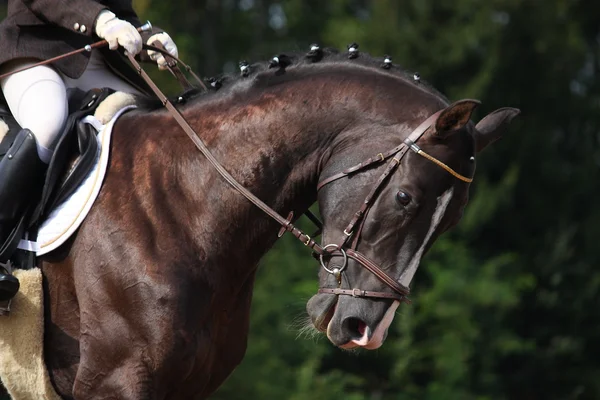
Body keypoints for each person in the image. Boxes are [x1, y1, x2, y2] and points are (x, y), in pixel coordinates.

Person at [0, 0, 179, 302]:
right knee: (47, 122)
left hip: (96, 59)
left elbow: (123, 14)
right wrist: (101, 20)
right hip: (34, 51)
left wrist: (150, 39)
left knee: (161, 127)